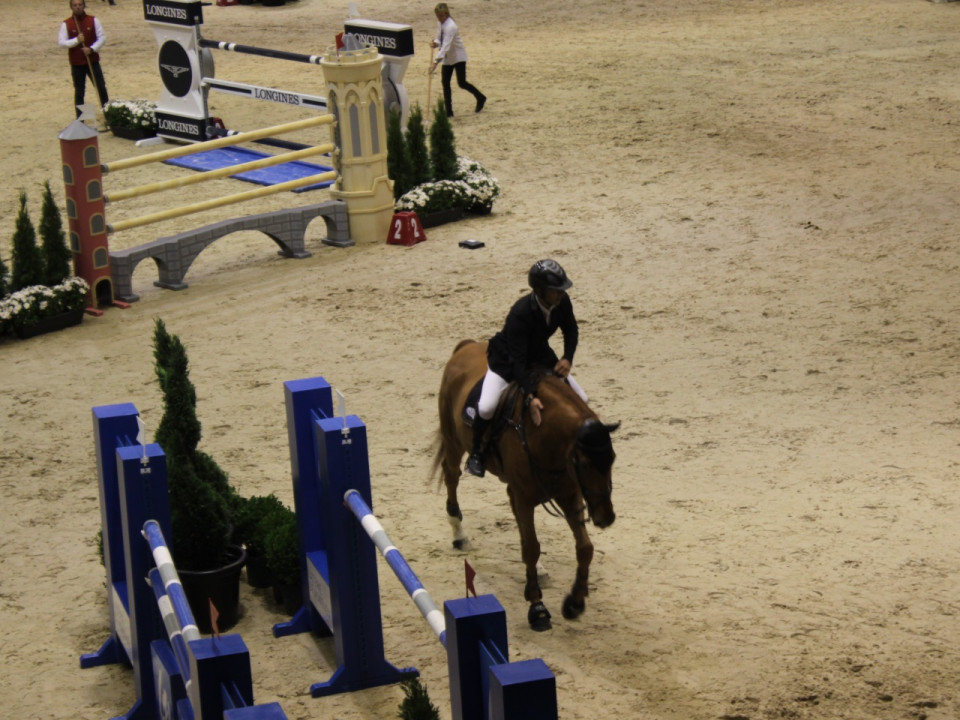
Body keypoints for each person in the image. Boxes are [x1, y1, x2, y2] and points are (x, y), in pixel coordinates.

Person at [466, 259, 589, 478]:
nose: (561, 294)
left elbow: (571, 330)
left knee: (582, 398)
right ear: (540, 291)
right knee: (486, 407)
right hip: (506, 360)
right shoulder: (520, 313)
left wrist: (567, 358)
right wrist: (530, 396)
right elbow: (518, 362)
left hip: (539, 354)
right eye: (556, 290)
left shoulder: (562, 302)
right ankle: (477, 454)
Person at [430, 3, 486, 117]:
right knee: (445, 82)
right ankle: (449, 112)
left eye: (441, 16)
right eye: (438, 16)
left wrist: (435, 62)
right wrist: (436, 43)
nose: (439, 18)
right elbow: (440, 39)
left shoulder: (451, 26)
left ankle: (480, 97)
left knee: (461, 82)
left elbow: (446, 45)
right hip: (447, 57)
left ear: (446, 14)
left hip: (458, 56)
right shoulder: (440, 23)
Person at [58, 0, 110, 118]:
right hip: (76, 63)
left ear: (84, 6)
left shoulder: (93, 20)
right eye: (75, 5)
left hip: (92, 61)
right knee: (80, 91)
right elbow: (61, 43)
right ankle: (80, 119)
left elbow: (102, 38)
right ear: (71, 7)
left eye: (80, 5)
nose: (78, 7)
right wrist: (76, 40)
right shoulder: (66, 23)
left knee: (101, 87)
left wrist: (91, 49)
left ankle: (107, 114)